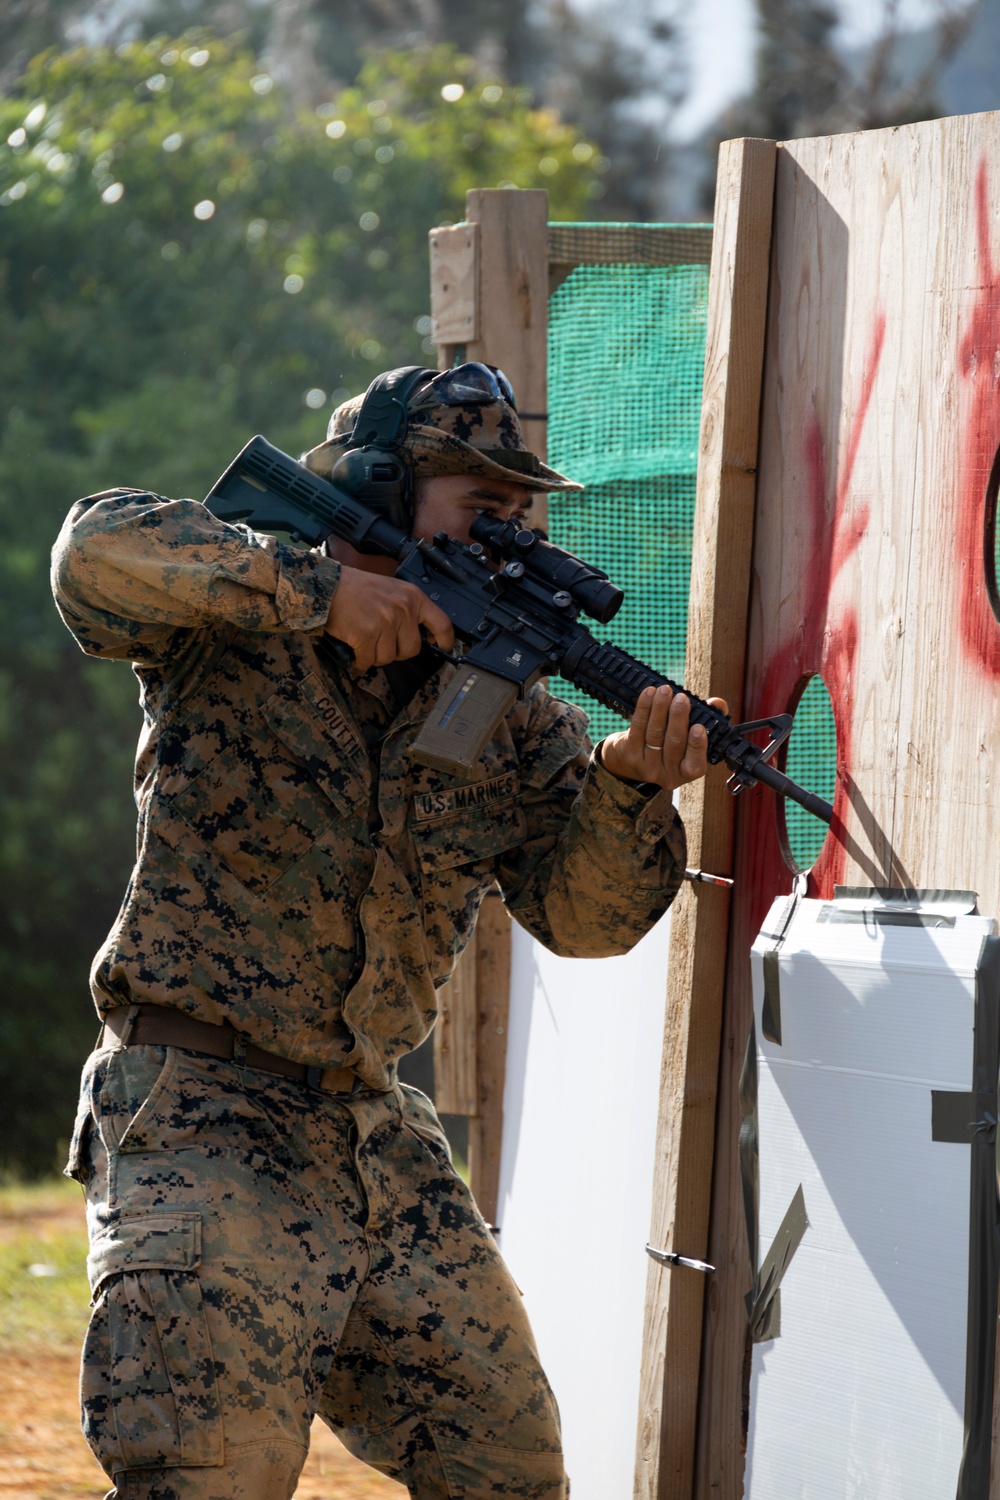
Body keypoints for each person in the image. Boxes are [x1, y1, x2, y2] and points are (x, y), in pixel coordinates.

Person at [51, 363, 724, 1500]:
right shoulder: (238, 624)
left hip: (371, 1129)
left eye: (521, 512)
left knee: (506, 1462)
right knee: (210, 1473)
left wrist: (625, 787)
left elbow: (585, 921)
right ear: (376, 485)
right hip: (200, 1112)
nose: (510, 533)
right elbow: (90, 556)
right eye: (480, 506)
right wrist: (314, 593)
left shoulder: (505, 709)